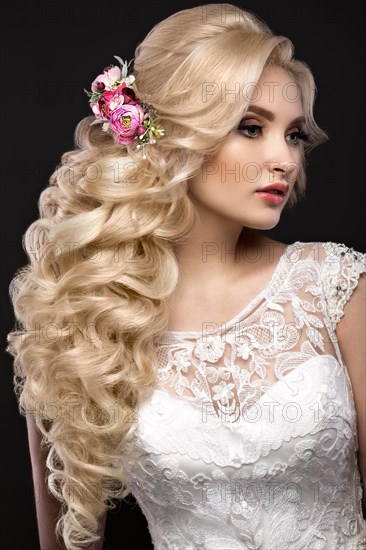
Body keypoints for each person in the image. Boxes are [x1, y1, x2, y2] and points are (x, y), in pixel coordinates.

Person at [6, 3, 366, 549]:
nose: (284, 160)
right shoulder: (81, 312)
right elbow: (66, 538)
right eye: (251, 127)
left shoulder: (336, 285)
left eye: (293, 135)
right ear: (169, 135)